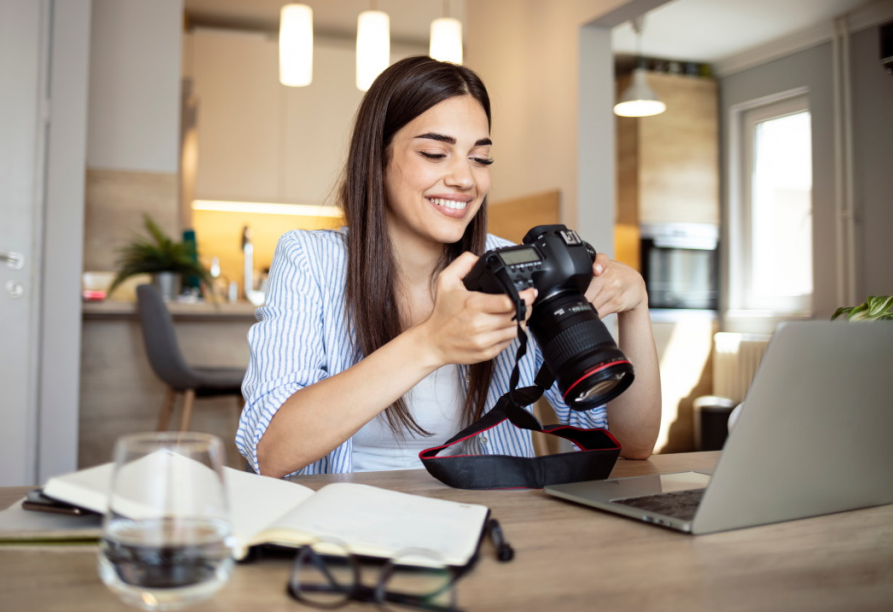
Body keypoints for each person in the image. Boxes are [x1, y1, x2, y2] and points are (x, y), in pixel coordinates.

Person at [236, 56, 661, 478]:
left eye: (480, 158)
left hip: (487, 521)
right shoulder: (312, 260)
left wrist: (636, 306)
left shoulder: (516, 267)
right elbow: (270, 450)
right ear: (377, 158)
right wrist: (430, 343)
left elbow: (634, 444)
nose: (465, 179)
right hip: (349, 524)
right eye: (436, 153)